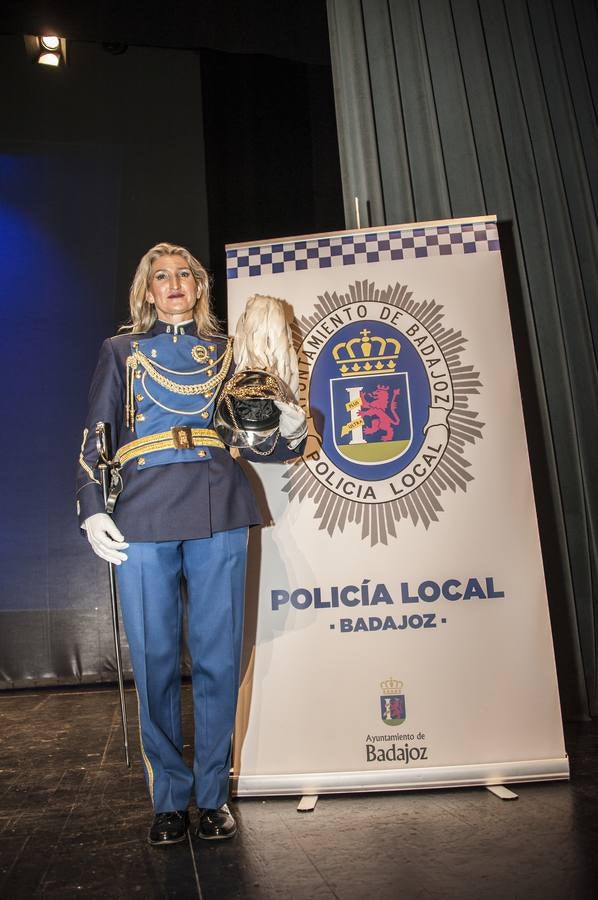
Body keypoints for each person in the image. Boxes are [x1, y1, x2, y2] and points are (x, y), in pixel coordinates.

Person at [76, 242, 306, 845]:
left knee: (217, 657)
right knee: (153, 661)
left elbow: (263, 444)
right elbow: (97, 434)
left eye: (184, 275)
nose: (174, 283)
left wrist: (290, 421)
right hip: (143, 509)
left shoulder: (230, 354)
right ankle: (168, 800)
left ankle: (211, 797)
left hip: (218, 500)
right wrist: (94, 509)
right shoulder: (121, 351)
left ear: (200, 288)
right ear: (146, 291)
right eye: (161, 277)